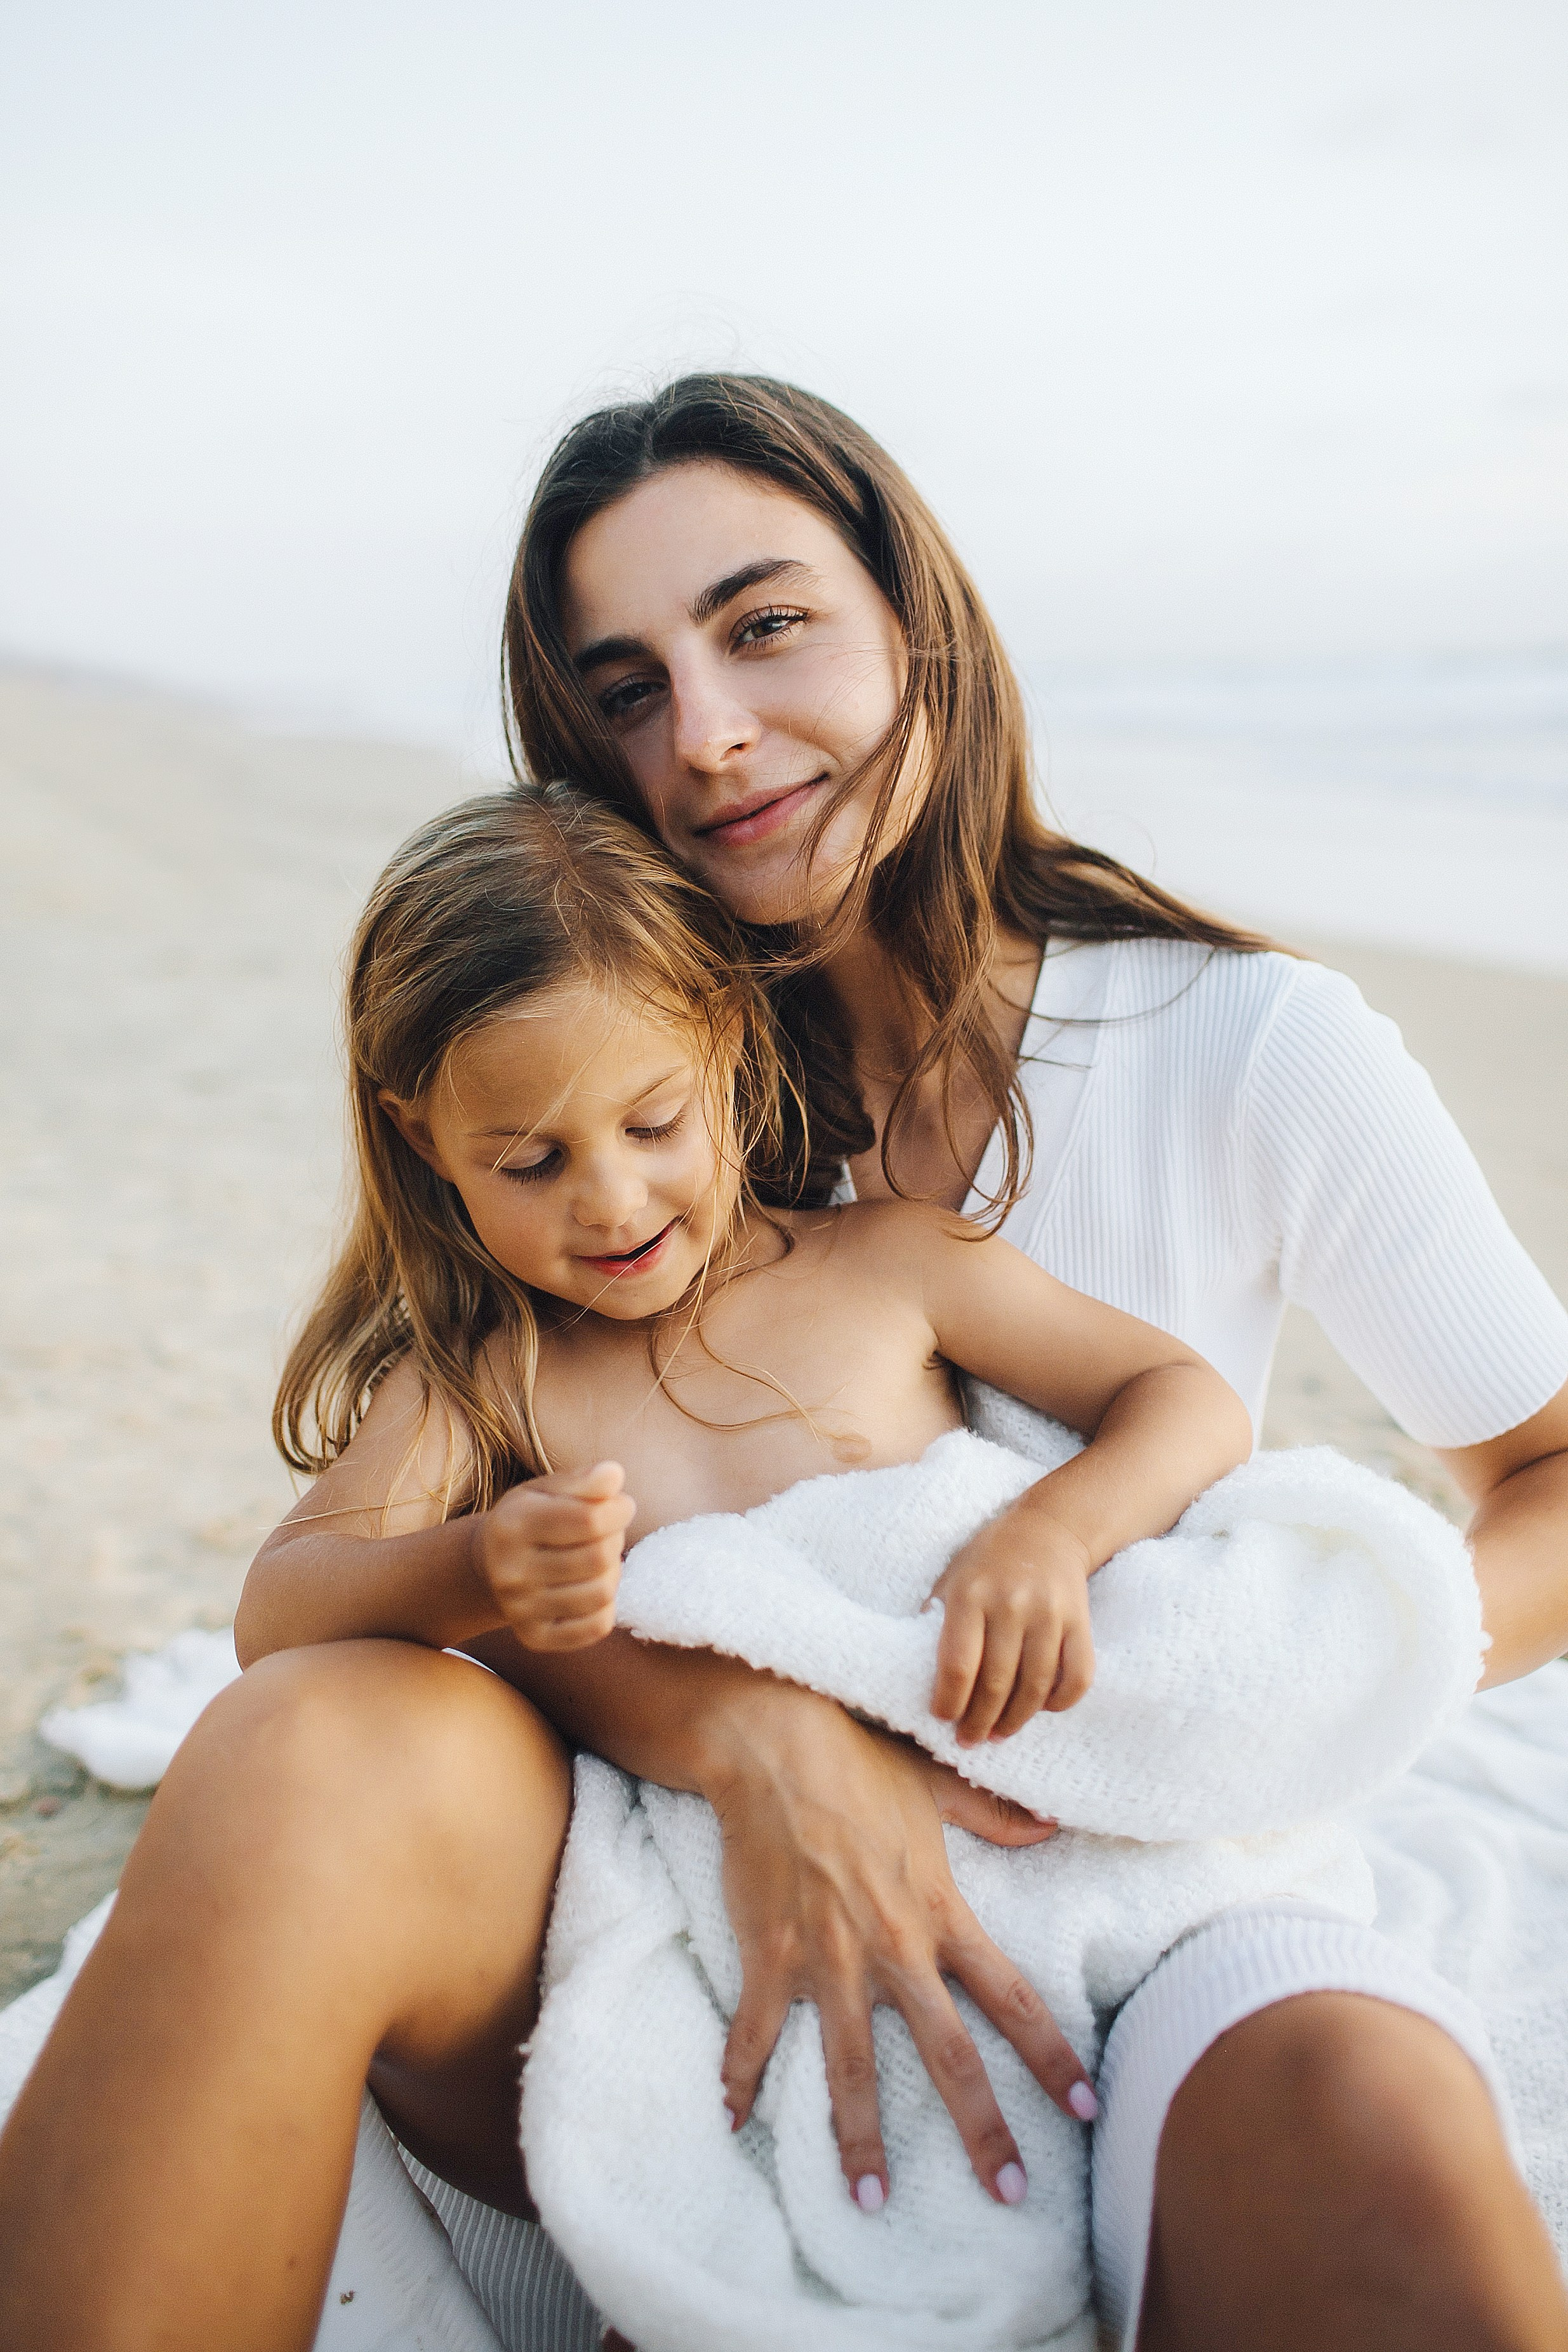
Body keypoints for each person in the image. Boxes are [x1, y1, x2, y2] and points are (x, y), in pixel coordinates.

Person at [3, 373, 1566, 2352]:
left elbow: (1546, 1482)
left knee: (1369, 2123)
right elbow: (472, 1519)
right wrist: (744, 1723)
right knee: (292, 1755)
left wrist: (1182, 1709)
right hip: (639, 1901)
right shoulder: (600, 1053)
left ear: (914, 613)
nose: (713, 733)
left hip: (1108, 1858)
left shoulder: (1242, 1048)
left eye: (764, 625)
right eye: (627, 688)